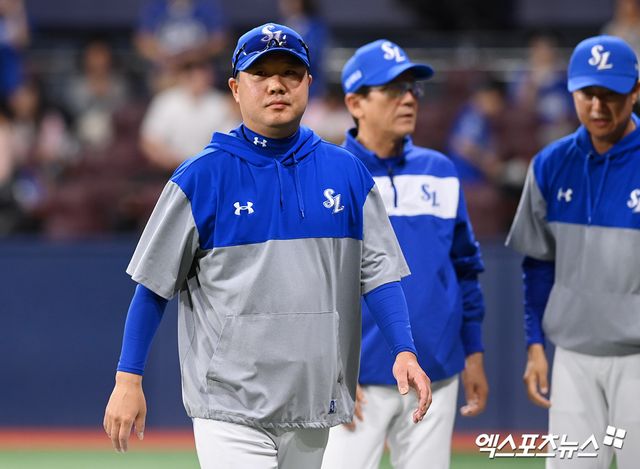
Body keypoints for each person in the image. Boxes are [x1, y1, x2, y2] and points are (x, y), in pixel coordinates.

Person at [103, 23, 432, 469]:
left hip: (312, 403)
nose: (277, 84)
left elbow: (379, 275)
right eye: (261, 74)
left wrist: (403, 349)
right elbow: (152, 288)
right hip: (228, 405)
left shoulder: (348, 174)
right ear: (236, 89)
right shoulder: (200, 177)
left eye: (290, 73)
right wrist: (128, 378)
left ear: (308, 83)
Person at [321, 40, 488, 469]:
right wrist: (328, 366)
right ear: (355, 103)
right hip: (355, 381)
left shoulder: (441, 171)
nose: (409, 98)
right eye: (393, 89)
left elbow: (465, 269)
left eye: (412, 88)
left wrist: (473, 353)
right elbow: (308, 281)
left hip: (435, 370)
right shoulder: (328, 175)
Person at [506, 35, 640, 468]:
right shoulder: (550, 163)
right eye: (587, 93)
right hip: (573, 360)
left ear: (635, 91)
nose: (598, 106)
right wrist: (535, 345)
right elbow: (538, 264)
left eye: (610, 93)